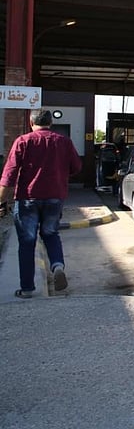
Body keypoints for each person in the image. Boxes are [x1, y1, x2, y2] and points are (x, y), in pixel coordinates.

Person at [0, 109, 82, 298]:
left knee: (27, 243)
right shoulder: (64, 142)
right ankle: (57, 265)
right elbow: (76, 167)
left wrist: (1, 199)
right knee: (51, 234)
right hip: (55, 198)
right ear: (50, 123)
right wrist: (59, 173)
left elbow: (9, 174)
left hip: (28, 199)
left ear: (31, 122)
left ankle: (27, 289)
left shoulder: (23, 141)